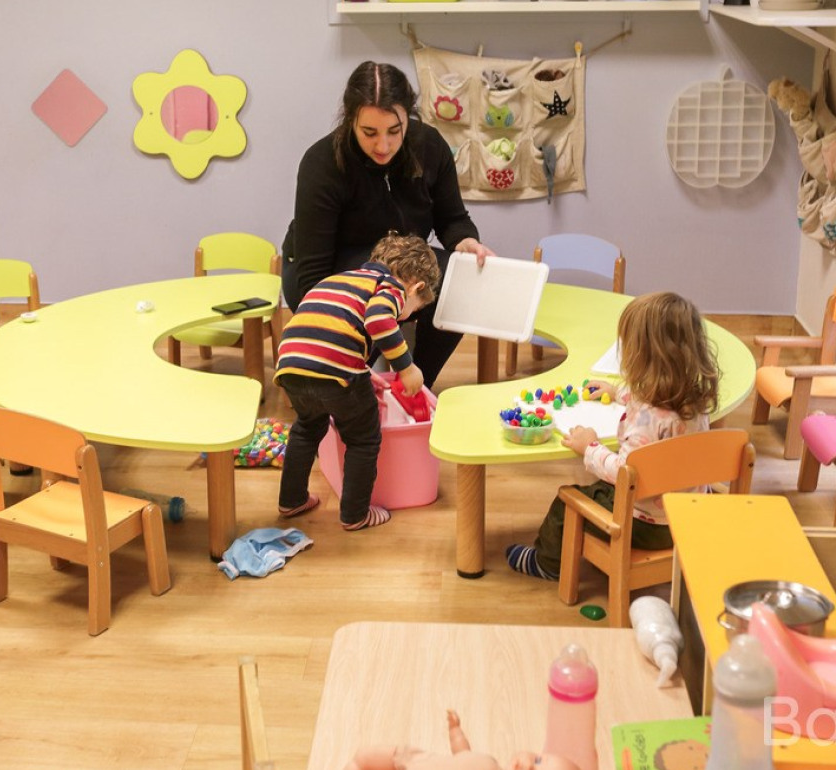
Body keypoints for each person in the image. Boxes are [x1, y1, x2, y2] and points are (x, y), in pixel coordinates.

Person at [281, 60, 496, 389]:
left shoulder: (430, 147)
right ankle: (357, 390)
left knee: (458, 280)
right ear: (350, 119)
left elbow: (452, 219)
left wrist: (464, 241)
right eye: (369, 133)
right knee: (365, 305)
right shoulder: (321, 163)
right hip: (326, 270)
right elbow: (314, 276)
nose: (383, 146)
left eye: (394, 131)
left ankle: (415, 386)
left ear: (408, 117)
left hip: (398, 265)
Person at [506, 292, 721, 580]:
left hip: (647, 525)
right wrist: (617, 392)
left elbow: (624, 473)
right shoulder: (693, 400)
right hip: (688, 513)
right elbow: (655, 401)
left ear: (642, 356)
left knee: (565, 503)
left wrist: (590, 447)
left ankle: (546, 564)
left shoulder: (644, 421)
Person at [274, 233, 440, 531]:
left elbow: (337, 330)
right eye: (413, 310)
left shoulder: (343, 279)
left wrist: (364, 372)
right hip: (333, 368)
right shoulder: (391, 288)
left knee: (307, 428)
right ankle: (355, 513)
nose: (406, 316)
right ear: (417, 287)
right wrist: (406, 367)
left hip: (291, 362)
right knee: (363, 438)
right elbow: (378, 322)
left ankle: (292, 499)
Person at [346, 709, 580, 770]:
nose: (529, 765)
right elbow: (463, 755)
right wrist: (456, 732)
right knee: (365, 755)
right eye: (538, 760)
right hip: (414, 761)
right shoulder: (490, 762)